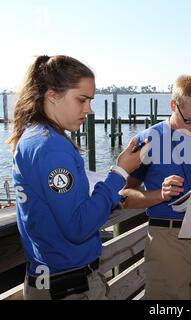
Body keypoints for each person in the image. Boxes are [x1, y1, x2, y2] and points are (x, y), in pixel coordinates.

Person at [7, 55, 144, 300]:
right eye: (82, 99)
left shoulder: (30, 137)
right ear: (52, 95)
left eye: (90, 101)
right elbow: (78, 228)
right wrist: (120, 172)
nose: (89, 110)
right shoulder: (52, 147)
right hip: (71, 287)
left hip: (44, 280)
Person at [120, 75, 191, 300]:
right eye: (190, 120)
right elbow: (122, 195)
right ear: (173, 106)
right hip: (167, 238)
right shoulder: (148, 140)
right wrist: (159, 194)